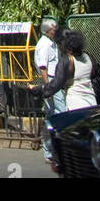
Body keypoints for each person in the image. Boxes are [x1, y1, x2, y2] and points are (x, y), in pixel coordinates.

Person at [40, 30, 100, 111]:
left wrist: (36, 90)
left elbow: (55, 85)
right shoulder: (88, 57)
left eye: (58, 45)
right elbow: (97, 80)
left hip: (75, 104)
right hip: (91, 102)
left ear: (63, 45)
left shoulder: (67, 60)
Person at [34, 17, 65, 162]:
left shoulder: (51, 43)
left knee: (52, 115)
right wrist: (48, 89)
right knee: (61, 113)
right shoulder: (44, 45)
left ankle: (52, 150)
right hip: (51, 81)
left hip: (55, 80)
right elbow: (43, 68)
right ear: (47, 31)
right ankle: (50, 151)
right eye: (54, 30)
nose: (56, 32)